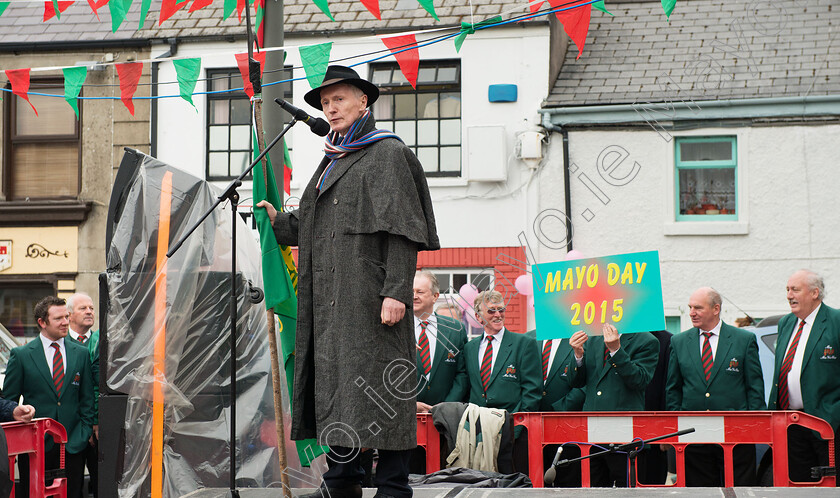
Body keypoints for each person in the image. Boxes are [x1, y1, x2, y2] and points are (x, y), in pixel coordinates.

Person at [257, 64, 439, 498]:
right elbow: (319, 223)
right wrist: (279, 223)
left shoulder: (386, 152)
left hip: (371, 301)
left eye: (338, 99)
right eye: (325, 102)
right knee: (337, 393)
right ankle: (341, 481)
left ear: (364, 101)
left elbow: (403, 230)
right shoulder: (332, 157)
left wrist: (396, 291)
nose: (330, 108)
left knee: (383, 396)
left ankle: (394, 486)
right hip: (330, 303)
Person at [666, 287, 765, 486]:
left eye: (698, 308)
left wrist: (752, 426)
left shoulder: (743, 340)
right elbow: (673, 389)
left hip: (736, 434)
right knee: (700, 490)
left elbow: (755, 388)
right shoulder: (679, 342)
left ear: (716, 309)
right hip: (694, 434)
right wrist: (678, 421)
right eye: (690, 307)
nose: (692, 312)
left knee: (740, 489)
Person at [2, 296, 94, 498]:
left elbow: (87, 399)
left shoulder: (81, 353)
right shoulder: (22, 355)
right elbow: (7, 401)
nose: (65, 322)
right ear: (42, 322)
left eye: (66, 317)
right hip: (36, 448)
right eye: (58, 318)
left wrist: (83, 433)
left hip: (72, 445)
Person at [768, 270, 840, 484]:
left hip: (827, 423)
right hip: (791, 423)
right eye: (787, 290)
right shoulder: (786, 323)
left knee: (830, 487)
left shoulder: (835, 321)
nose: (789, 295)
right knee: (798, 485)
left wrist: (834, 415)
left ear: (815, 293)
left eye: (795, 290)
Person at [567, 324, 658, 487]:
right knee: (593, 488)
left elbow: (640, 380)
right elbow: (576, 381)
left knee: (625, 489)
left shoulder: (646, 340)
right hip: (592, 433)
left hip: (625, 435)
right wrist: (578, 355)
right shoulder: (593, 336)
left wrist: (616, 351)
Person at [464, 290, 541, 473]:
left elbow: (532, 390)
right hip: (478, 431)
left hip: (512, 431)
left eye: (501, 309)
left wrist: (518, 428)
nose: (498, 315)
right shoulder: (470, 348)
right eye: (491, 311)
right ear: (478, 316)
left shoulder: (523, 343)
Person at [523, 329, 584, 487]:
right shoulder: (526, 339)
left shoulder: (580, 339)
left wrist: (557, 410)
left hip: (566, 425)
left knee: (566, 483)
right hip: (531, 426)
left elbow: (585, 382)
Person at [413, 271, 468, 412]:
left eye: (420, 292)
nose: (414, 296)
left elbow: (462, 373)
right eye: (411, 291)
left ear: (435, 296)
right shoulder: (396, 329)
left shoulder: (456, 329)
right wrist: (409, 404)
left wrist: (446, 406)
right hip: (405, 416)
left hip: (446, 417)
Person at [66, 293, 99, 497]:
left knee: (100, 482)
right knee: (72, 486)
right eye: (83, 308)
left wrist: (95, 421)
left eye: (91, 308)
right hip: (70, 430)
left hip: (98, 429)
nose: (89, 311)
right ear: (69, 316)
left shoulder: (101, 341)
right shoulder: (59, 343)